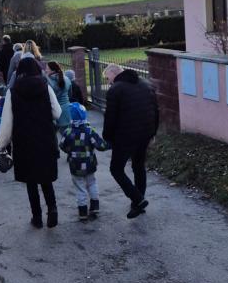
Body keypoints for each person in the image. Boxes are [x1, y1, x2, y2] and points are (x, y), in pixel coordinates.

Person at [0, 56, 62, 228]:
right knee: (46, 178)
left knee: (31, 181)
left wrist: (2, 144)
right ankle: (52, 209)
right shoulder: (45, 86)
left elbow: (7, 122)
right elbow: (57, 112)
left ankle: (37, 217)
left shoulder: (13, 91)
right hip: (45, 138)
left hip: (24, 141)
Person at [102, 64, 159, 219]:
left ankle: (138, 199)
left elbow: (110, 118)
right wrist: (153, 133)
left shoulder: (115, 90)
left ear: (114, 73)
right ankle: (138, 203)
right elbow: (156, 110)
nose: (108, 81)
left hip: (125, 137)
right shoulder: (146, 84)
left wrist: (107, 137)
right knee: (138, 166)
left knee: (116, 169)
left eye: (107, 78)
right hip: (145, 134)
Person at [60, 103, 107, 220]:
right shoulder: (89, 131)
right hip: (90, 163)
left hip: (75, 165)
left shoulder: (68, 132)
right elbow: (100, 145)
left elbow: (62, 145)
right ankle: (95, 206)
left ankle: (83, 212)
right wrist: (109, 144)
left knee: (80, 187)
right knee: (92, 183)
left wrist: (70, 151)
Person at [46, 60, 72, 129]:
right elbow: (70, 94)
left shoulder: (47, 82)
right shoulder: (67, 79)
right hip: (67, 108)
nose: (46, 70)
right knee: (68, 132)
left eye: (47, 68)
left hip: (55, 110)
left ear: (52, 70)